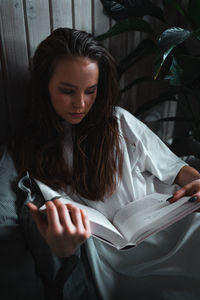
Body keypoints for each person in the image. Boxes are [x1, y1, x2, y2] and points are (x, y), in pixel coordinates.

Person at [5, 27, 200, 300]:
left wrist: (196, 182)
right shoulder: (30, 152)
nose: (80, 104)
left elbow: (177, 168)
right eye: (67, 91)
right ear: (44, 86)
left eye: (91, 91)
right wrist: (60, 250)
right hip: (109, 261)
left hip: (164, 230)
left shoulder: (118, 121)